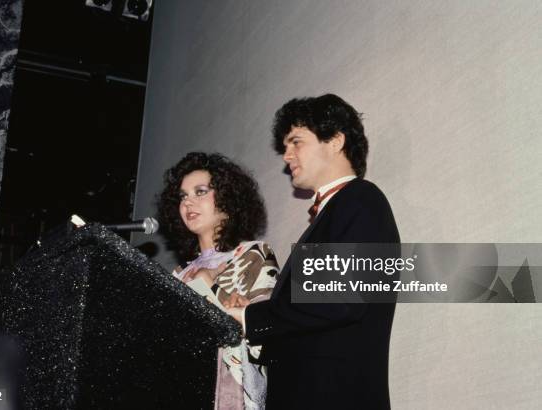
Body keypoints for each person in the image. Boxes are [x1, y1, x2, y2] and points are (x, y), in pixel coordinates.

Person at [225, 94, 400, 409]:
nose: (286, 156)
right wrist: (256, 313)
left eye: (295, 142)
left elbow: (339, 299)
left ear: (334, 140)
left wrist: (250, 317)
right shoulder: (339, 210)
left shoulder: (360, 199)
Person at [157, 152, 279, 410]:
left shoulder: (252, 256)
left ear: (227, 198)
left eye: (200, 191)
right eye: (182, 196)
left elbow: (270, 336)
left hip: (227, 394)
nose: (188, 202)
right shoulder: (177, 276)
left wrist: (210, 287)